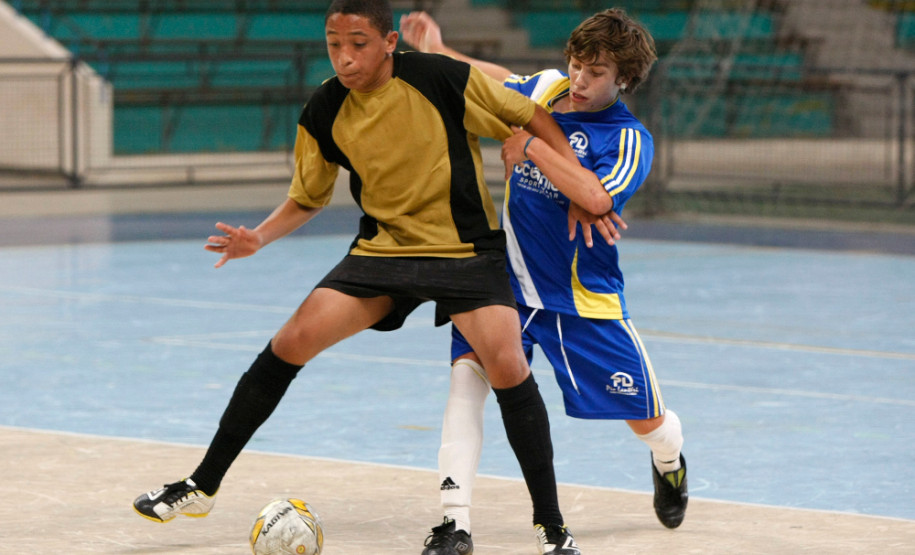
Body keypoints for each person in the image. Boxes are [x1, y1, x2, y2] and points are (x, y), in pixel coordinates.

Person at [131, 1, 601, 553]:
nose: (345, 57)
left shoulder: (443, 79)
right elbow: (307, 196)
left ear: (389, 41)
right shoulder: (326, 106)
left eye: (358, 42)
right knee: (289, 342)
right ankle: (202, 485)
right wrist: (257, 237)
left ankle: (551, 525)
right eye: (334, 44)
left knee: (508, 366)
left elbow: (532, 117)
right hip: (383, 253)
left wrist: (573, 179)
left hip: (464, 252)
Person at [400, 8, 688, 554]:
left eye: (596, 73)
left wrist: (530, 147)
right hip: (504, 285)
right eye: (577, 65)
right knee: (466, 380)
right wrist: (440, 48)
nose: (579, 80)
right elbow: (495, 79)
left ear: (623, 78)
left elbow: (598, 197)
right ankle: (454, 523)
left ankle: (669, 459)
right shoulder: (551, 91)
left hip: (580, 300)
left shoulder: (628, 140)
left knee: (647, 420)